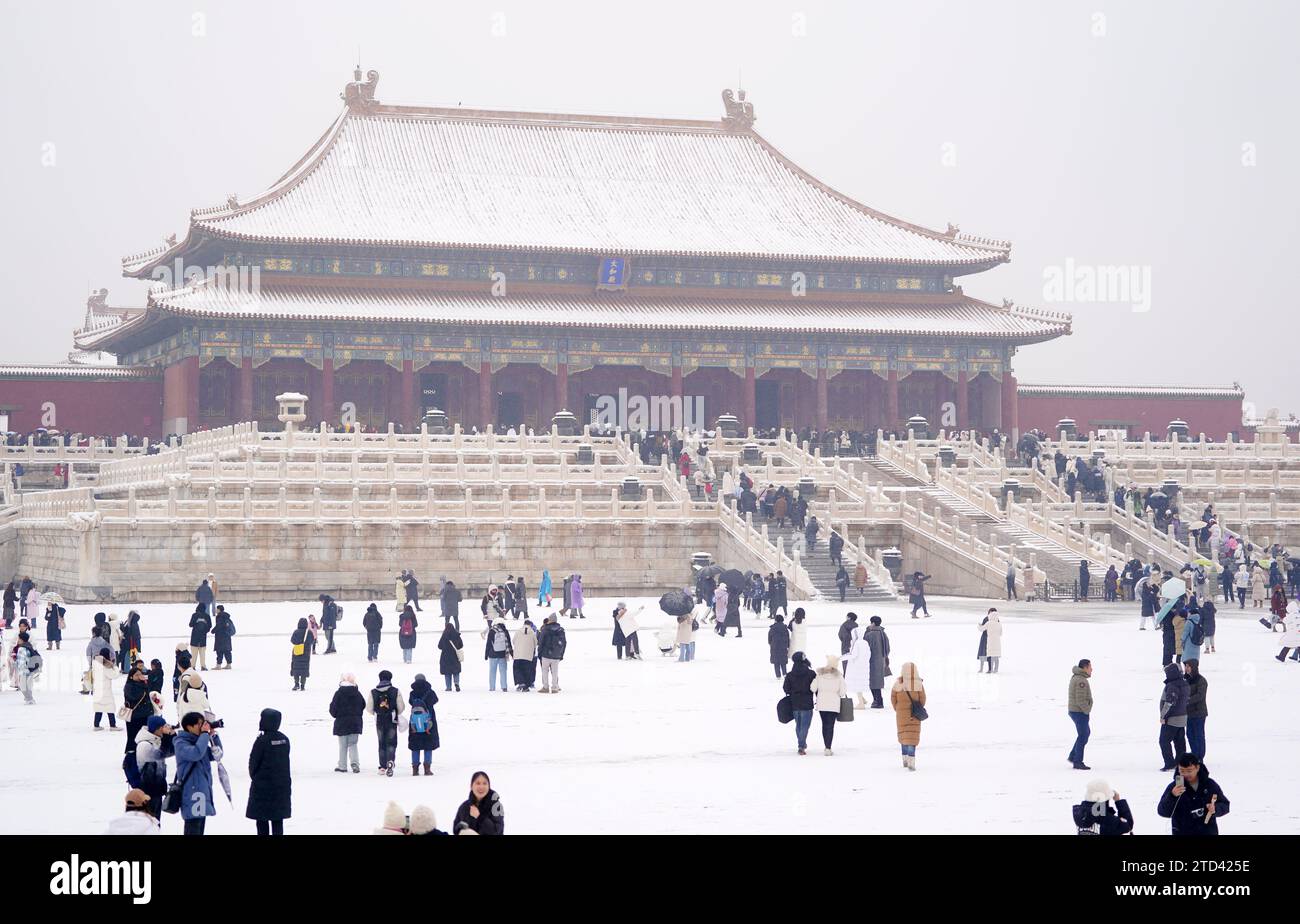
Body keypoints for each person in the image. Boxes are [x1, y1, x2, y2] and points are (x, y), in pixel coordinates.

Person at [1157, 754, 1230, 836]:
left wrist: (1215, 808)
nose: (1185, 774)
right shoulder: (1174, 787)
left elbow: (1225, 805)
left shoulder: (1209, 784)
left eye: (1189, 771)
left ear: (1197, 768)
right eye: (1182, 771)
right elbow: (1162, 811)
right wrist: (1172, 796)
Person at [174, 712, 220, 836]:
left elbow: (217, 755)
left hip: (202, 791)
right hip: (192, 792)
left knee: (199, 827)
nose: (202, 727)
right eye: (199, 724)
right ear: (189, 727)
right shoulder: (181, 742)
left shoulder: (201, 741)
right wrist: (204, 735)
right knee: (193, 827)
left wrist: (213, 737)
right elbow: (196, 754)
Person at [246, 708, 291, 835]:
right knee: (278, 820)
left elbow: (253, 762)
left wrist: (255, 777)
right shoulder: (284, 739)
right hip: (281, 787)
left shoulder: (262, 741)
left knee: (262, 820)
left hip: (262, 787)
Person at [366, 670, 406, 776]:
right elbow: (401, 707)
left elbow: (369, 708)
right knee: (391, 742)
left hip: (379, 720)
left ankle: (382, 766)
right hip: (391, 719)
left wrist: (376, 712)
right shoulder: (395, 691)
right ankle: (390, 761)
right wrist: (395, 712)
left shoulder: (373, 692)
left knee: (381, 743)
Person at [135, 717, 174, 820]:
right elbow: (161, 754)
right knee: (149, 823)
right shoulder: (144, 745)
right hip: (147, 790)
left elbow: (171, 751)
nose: (166, 728)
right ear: (158, 728)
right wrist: (167, 737)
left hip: (156, 789)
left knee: (155, 823)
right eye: (164, 727)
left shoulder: (156, 741)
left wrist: (172, 735)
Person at [890, 661, 926, 770]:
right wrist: (917, 708)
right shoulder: (919, 684)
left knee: (903, 735)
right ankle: (911, 761)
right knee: (912, 737)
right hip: (914, 714)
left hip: (901, 714)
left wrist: (898, 708)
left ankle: (904, 759)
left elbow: (893, 698)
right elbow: (923, 699)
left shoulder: (897, 684)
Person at [809, 654, 847, 756]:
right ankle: (828, 748)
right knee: (830, 725)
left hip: (822, 704)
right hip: (834, 705)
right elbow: (842, 692)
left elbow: (813, 688)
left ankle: (826, 746)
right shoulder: (839, 676)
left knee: (824, 725)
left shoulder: (819, 675)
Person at [329, 673, 365, 774]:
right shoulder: (357, 693)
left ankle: (342, 766)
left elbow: (333, 709)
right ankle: (355, 765)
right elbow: (363, 704)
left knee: (343, 745)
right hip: (355, 722)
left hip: (342, 722)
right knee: (353, 744)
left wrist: (337, 714)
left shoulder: (338, 693)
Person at [406, 673, 440, 776]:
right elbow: (436, 700)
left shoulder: (412, 693)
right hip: (429, 722)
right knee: (428, 746)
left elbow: (411, 702)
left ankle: (415, 769)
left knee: (415, 746)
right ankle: (427, 768)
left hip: (415, 723)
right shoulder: (430, 692)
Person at [783, 651, 816, 755]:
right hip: (807, 703)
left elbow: (786, 689)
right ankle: (801, 745)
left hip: (795, 703)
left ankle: (801, 743)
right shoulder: (811, 673)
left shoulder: (790, 675)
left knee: (799, 725)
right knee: (805, 726)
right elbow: (815, 688)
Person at [1158, 662, 1189, 771]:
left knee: (1164, 741)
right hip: (1182, 718)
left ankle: (1170, 763)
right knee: (1179, 741)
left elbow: (1169, 703)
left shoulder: (1172, 686)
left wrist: (1163, 716)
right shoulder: (1184, 683)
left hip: (1172, 719)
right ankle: (1181, 762)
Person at [453, 771, 505, 835]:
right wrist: (459, 828)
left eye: (484, 783)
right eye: (478, 783)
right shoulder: (464, 807)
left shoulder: (496, 806)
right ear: (471, 786)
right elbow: (456, 830)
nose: (481, 787)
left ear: (489, 786)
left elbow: (497, 831)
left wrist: (480, 817)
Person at [1067, 659, 1093, 770]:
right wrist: (1086, 710)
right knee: (1083, 735)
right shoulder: (1080, 680)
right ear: (1085, 668)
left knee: (1085, 734)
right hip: (1079, 712)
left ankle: (1073, 756)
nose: (1092, 669)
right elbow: (1080, 700)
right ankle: (1077, 761)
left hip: (1077, 711)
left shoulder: (1078, 678)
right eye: (1090, 667)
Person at [91, 652, 120, 730]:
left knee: (98, 708)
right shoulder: (105, 667)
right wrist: (115, 667)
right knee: (110, 707)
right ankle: (113, 726)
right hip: (105, 691)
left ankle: (96, 725)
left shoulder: (95, 665)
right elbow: (114, 675)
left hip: (97, 690)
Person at [537, 614, 566, 692]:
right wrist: (561, 654)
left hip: (545, 654)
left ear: (550, 620)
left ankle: (545, 687)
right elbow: (564, 643)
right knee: (555, 672)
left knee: (545, 671)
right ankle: (554, 687)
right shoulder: (560, 630)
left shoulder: (545, 629)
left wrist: (539, 653)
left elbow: (541, 642)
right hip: (556, 654)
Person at [485, 618, 512, 690]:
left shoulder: (492, 631)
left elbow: (488, 644)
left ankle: (492, 687)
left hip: (492, 654)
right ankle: (504, 687)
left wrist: (486, 654)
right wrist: (512, 653)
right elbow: (509, 643)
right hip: (503, 654)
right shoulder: (505, 631)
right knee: (503, 671)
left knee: (492, 671)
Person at [438, 618, 464, 691]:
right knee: (456, 671)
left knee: (447, 673)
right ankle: (456, 683)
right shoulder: (456, 635)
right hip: (455, 656)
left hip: (445, 657)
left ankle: (448, 687)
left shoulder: (444, 636)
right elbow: (461, 645)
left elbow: (439, 646)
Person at [511, 620, 538, 691]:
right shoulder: (532, 633)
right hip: (528, 655)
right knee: (527, 670)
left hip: (517, 655)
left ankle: (520, 683)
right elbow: (536, 643)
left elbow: (513, 641)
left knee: (517, 669)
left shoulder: (518, 631)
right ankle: (526, 685)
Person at [14, 632, 40, 704]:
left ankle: (29, 699)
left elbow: (22, 660)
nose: (18, 640)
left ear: (22, 639)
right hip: (30, 669)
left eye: (19, 638)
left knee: (23, 686)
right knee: (27, 686)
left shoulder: (21, 648)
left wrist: (18, 667)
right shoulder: (29, 645)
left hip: (24, 670)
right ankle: (29, 699)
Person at [977, 608, 1002, 674]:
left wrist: (979, 626)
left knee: (986, 654)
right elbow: (1000, 633)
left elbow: (982, 628)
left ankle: (985, 669)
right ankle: (994, 669)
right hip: (995, 640)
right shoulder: (998, 621)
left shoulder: (987, 620)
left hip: (987, 638)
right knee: (994, 654)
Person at [290, 617, 312, 691]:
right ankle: (303, 685)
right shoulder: (309, 632)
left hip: (297, 652)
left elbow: (292, 640)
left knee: (296, 668)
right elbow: (311, 641)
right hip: (306, 653)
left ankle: (296, 684)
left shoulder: (296, 632)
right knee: (304, 669)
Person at [211, 606, 235, 670]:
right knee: (227, 650)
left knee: (219, 651)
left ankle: (218, 665)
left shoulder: (220, 616)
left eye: (216, 609)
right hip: (227, 636)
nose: (216, 610)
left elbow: (219, 625)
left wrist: (213, 631)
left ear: (219, 610)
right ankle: (229, 664)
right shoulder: (226, 616)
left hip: (220, 636)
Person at [188, 605, 211, 670]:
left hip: (194, 636)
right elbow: (210, 626)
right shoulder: (207, 616)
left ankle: (192, 666)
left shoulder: (194, 615)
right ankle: (203, 666)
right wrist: (205, 631)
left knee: (194, 653)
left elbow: (190, 625)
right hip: (203, 637)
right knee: (202, 653)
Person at [767, 614, 790, 678]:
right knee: (783, 662)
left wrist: (771, 644)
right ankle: (784, 673)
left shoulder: (772, 628)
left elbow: (769, 639)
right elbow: (788, 638)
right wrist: (787, 645)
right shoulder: (785, 628)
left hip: (775, 647)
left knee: (776, 662)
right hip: (783, 647)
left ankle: (778, 675)